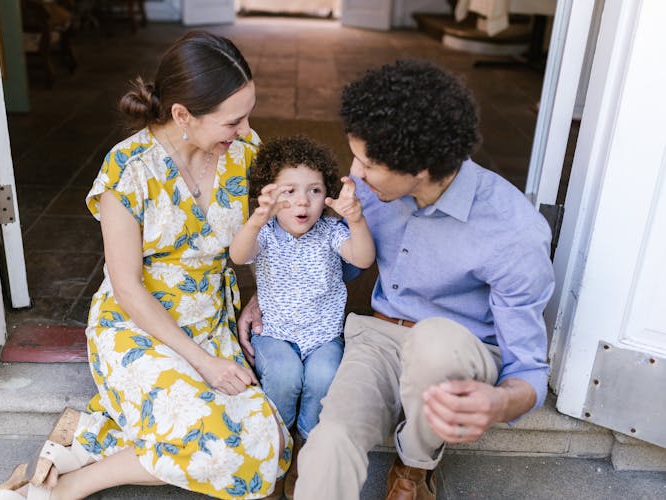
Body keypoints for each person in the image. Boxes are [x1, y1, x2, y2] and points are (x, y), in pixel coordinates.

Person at [0, 31, 291, 500]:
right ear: (182, 115)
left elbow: (268, 234)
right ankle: (65, 489)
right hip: (138, 325)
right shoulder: (128, 170)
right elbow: (127, 287)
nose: (246, 128)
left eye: (247, 114)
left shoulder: (244, 152)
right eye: (233, 119)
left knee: (265, 444)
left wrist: (257, 296)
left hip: (209, 319)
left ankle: (84, 446)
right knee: (220, 443)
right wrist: (204, 363)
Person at [238, 59, 555, 500]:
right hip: (378, 337)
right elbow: (332, 263)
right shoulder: (370, 191)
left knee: (433, 341)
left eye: (367, 163)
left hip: (461, 347)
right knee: (328, 444)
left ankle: (412, 469)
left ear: (419, 170)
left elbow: (528, 368)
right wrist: (269, 295)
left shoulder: (512, 231)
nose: (355, 172)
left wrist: (499, 403)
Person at [229, 135, 375, 497]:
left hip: (324, 335)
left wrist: (356, 221)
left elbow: (363, 259)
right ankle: (277, 449)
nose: (301, 201)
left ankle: (305, 450)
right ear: (270, 195)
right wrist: (254, 222)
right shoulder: (265, 233)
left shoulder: (330, 232)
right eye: (289, 191)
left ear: (326, 196)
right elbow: (238, 255)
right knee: (284, 374)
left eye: (313, 191)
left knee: (324, 377)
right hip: (275, 332)